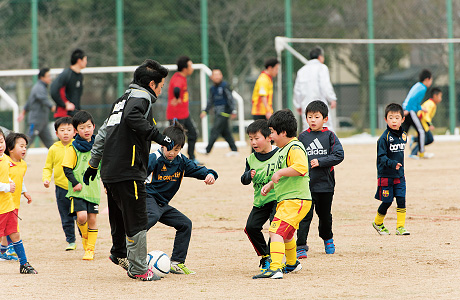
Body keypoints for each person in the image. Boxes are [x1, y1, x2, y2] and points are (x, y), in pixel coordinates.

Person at [83, 59, 174, 281]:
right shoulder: (141, 99)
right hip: (128, 169)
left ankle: (119, 253)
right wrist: (158, 136)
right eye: (161, 85)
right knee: (137, 218)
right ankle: (140, 268)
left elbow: (103, 133)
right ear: (152, 84)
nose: (161, 90)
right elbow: (134, 117)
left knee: (119, 216)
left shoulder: (120, 101)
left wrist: (93, 164)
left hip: (111, 170)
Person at [145, 122, 218, 275]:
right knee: (153, 215)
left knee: (185, 224)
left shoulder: (181, 161)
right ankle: (131, 240)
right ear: (162, 144)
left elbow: (198, 170)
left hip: (162, 204)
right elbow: (136, 175)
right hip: (147, 197)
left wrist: (210, 174)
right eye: (169, 148)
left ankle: (177, 262)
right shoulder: (154, 158)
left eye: (177, 149)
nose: (172, 152)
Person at [253, 109, 312, 280]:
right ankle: (293, 264)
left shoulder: (294, 147)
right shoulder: (283, 150)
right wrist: (271, 184)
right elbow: (283, 172)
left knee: (275, 232)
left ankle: (275, 268)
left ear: (283, 132)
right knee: (286, 234)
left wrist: (278, 174)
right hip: (288, 199)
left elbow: (301, 168)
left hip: (296, 199)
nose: (270, 136)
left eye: (271, 132)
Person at [295, 101, 344, 259]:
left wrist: (320, 161)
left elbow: (339, 155)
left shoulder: (330, 136)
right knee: (304, 216)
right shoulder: (302, 137)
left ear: (325, 119)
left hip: (325, 186)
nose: (313, 120)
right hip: (306, 186)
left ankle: (327, 238)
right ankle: (301, 245)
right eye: (310, 117)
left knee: (324, 216)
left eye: (317, 117)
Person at [62, 111, 100, 260]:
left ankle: (90, 249)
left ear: (94, 127)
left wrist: (106, 184)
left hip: (93, 189)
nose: (86, 130)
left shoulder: (98, 147)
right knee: (82, 217)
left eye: (89, 126)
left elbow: (102, 167)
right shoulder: (72, 148)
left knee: (92, 219)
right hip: (78, 190)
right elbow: (67, 168)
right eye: (82, 128)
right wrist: (75, 183)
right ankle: (85, 236)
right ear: (76, 130)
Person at [241, 119, 278, 271]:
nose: (253, 142)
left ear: (269, 137)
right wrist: (248, 175)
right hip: (261, 200)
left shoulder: (279, 153)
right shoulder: (251, 159)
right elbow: (244, 180)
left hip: (278, 198)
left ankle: (274, 260)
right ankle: (265, 255)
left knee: (274, 229)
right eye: (250, 139)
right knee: (250, 227)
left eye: (257, 138)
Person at [0, 128, 37, 274]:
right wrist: (7, 186)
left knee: (14, 233)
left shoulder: (4, 160)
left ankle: (24, 263)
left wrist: (10, 183)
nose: (0, 145)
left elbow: (6, 177)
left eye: (1, 141)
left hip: (9, 206)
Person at [372, 103, 410, 236]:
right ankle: (378, 223)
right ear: (385, 120)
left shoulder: (404, 135)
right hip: (386, 175)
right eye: (391, 118)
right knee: (387, 201)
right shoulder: (384, 138)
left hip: (399, 175)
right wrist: (392, 163)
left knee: (401, 199)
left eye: (397, 118)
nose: (394, 121)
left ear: (402, 119)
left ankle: (400, 227)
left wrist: (398, 167)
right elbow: (381, 157)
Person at [42, 117, 77, 251]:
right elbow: (48, 167)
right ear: (56, 133)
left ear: (74, 132)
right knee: (66, 216)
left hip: (76, 187)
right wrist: (46, 179)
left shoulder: (77, 146)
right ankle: (71, 240)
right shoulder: (53, 149)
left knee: (80, 214)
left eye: (69, 130)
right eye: (62, 130)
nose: (66, 133)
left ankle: (85, 237)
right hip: (61, 188)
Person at [293, 46, 338, 132]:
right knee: (326, 127)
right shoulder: (322, 68)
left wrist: (298, 104)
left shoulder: (301, 70)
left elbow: (297, 90)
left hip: (306, 104)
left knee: (307, 128)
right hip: (320, 103)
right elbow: (325, 85)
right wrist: (331, 98)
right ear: (320, 57)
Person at [167, 56, 201, 164]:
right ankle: (170, 159)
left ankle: (191, 158)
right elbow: (176, 88)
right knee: (175, 139)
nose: (192, 68)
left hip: (184, 114)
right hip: (176, 115)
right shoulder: (178, 78)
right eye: (190, 65)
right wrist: (177, 98)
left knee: (193, 134)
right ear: (184, 68)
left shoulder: (182, 77)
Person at [199, 68, 238, 156]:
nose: (216, 77)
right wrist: (205, 111)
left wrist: (233, 110)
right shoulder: (212, 88)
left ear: (221, 76)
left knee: (214, 130)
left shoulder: (225, 85)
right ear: (211, 77)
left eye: (218, 74)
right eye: (214, 75)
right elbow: (210, 101)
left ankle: (207, 150)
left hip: (224, 112)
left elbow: (230, 98)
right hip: (217, 112)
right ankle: (234, 150)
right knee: (225, 132)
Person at [18, 68, 56, 148]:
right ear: (42, 77)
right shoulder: (39, 87)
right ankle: (17, 159)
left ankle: (58, 159)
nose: (50, 78)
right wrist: (52, 106)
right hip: (35, 122)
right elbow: (43, 98)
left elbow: (29, 102)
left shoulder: (40, 87)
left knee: (51, 145)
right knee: (26, 142)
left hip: (43, 122)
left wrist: (23, 113)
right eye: (48, 76)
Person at [401, 69, 433, 159]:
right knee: (421, 131)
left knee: (403, 133)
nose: (431, 82)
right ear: (427, 79)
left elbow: (412, 99)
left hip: (407, 109)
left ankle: (394, 152)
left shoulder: (417, 85)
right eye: (431, 80)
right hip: (410, 111)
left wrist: (420, 108)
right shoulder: (422, 88)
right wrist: (407, 109)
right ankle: (420, 152)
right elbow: (412, 99)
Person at [51, 49, 87, 119]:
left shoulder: (80, 76)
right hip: (64, 115)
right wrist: (65, 104)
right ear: (79, 61)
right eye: (85, 59)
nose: (86, 62)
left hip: (74, 114)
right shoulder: (66, 74)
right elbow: (54, 91)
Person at [409, 87, 442, 159]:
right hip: (423, 122)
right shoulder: (431, 104)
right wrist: (429, 124)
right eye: (440, 96)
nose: (440, 98)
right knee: (429, 139)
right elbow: (425, 115)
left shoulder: (431, 103)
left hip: (423, 122)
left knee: (426, 139)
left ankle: (414, 142)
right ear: (435, 96)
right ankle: (414, 149)